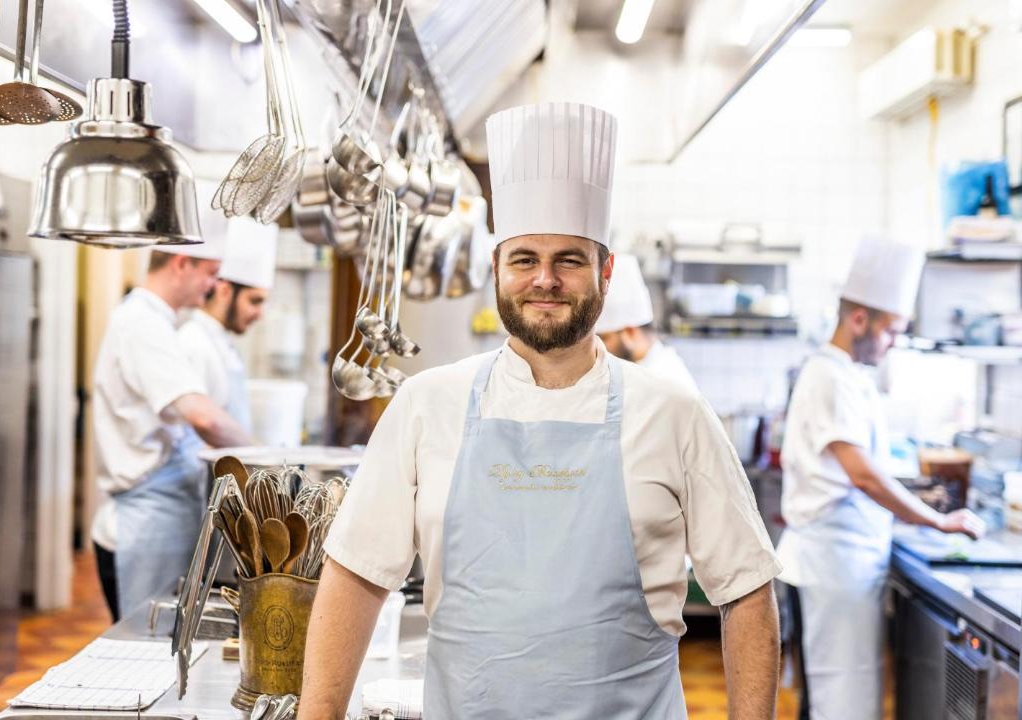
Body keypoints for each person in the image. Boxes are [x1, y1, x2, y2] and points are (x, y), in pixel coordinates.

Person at [300, 102, 782, 720]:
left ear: (605, 273)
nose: (545, 279)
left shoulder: (674, 414)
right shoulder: (427, 405)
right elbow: (358, 575)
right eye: (524, 258)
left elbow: (747, 591)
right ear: (496, 269)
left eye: (570, 260)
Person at [775, 237, 986, 720]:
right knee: (838, 699)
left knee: (844, 695)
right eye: (891, 332)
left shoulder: (847, 373)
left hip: (847, 564)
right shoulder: (828, 375)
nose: (891, 345)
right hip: (834, 566)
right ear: (859, 319)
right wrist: (937, 521)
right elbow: (864, 476)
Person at [91, 234, 253, 621]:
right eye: (211, 273)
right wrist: (266, 462)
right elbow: (205, 416)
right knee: (143, 647)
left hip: (160, 513)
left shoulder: (157, 322)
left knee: (163, 639)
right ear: (182, 263)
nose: (214, 286)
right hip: (146, 522)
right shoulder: (141, 324)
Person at [178, 217, 278, 433]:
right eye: (254, 301)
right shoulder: (193, 343)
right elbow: (194, 430)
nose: (260, 314)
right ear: (224, 291)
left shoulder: (221, 342)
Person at [594, 251, 698, 394]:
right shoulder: (646, 370)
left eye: (605, 338)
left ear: (630, 332)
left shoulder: (662, 380)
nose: (598, 347)